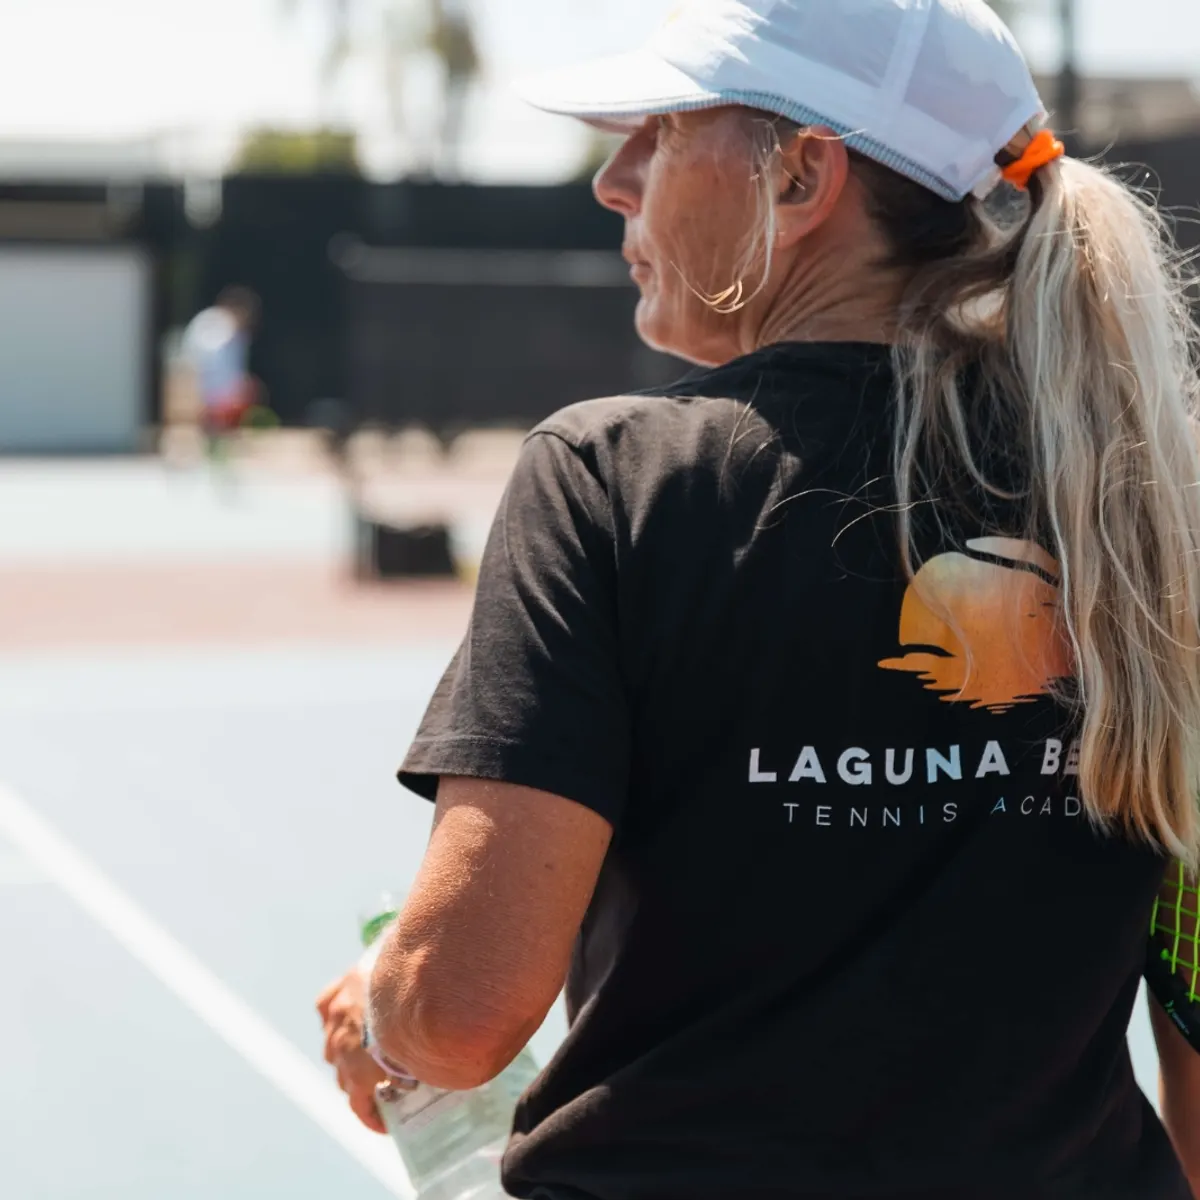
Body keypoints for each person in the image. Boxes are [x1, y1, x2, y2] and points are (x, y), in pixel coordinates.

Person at [317, 1, 1200, 1196]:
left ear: (799, 175)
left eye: (666, 132)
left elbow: (459, 1015)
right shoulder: (1143, 502)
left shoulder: (608, 479)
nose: (615, 181)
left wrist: (384, 1005)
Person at [180, 286, 262, 460]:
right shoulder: (212, 324)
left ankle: (220, 454)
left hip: (223, 394)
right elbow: (205, 362)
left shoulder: (236, 332)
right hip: (207, 390)